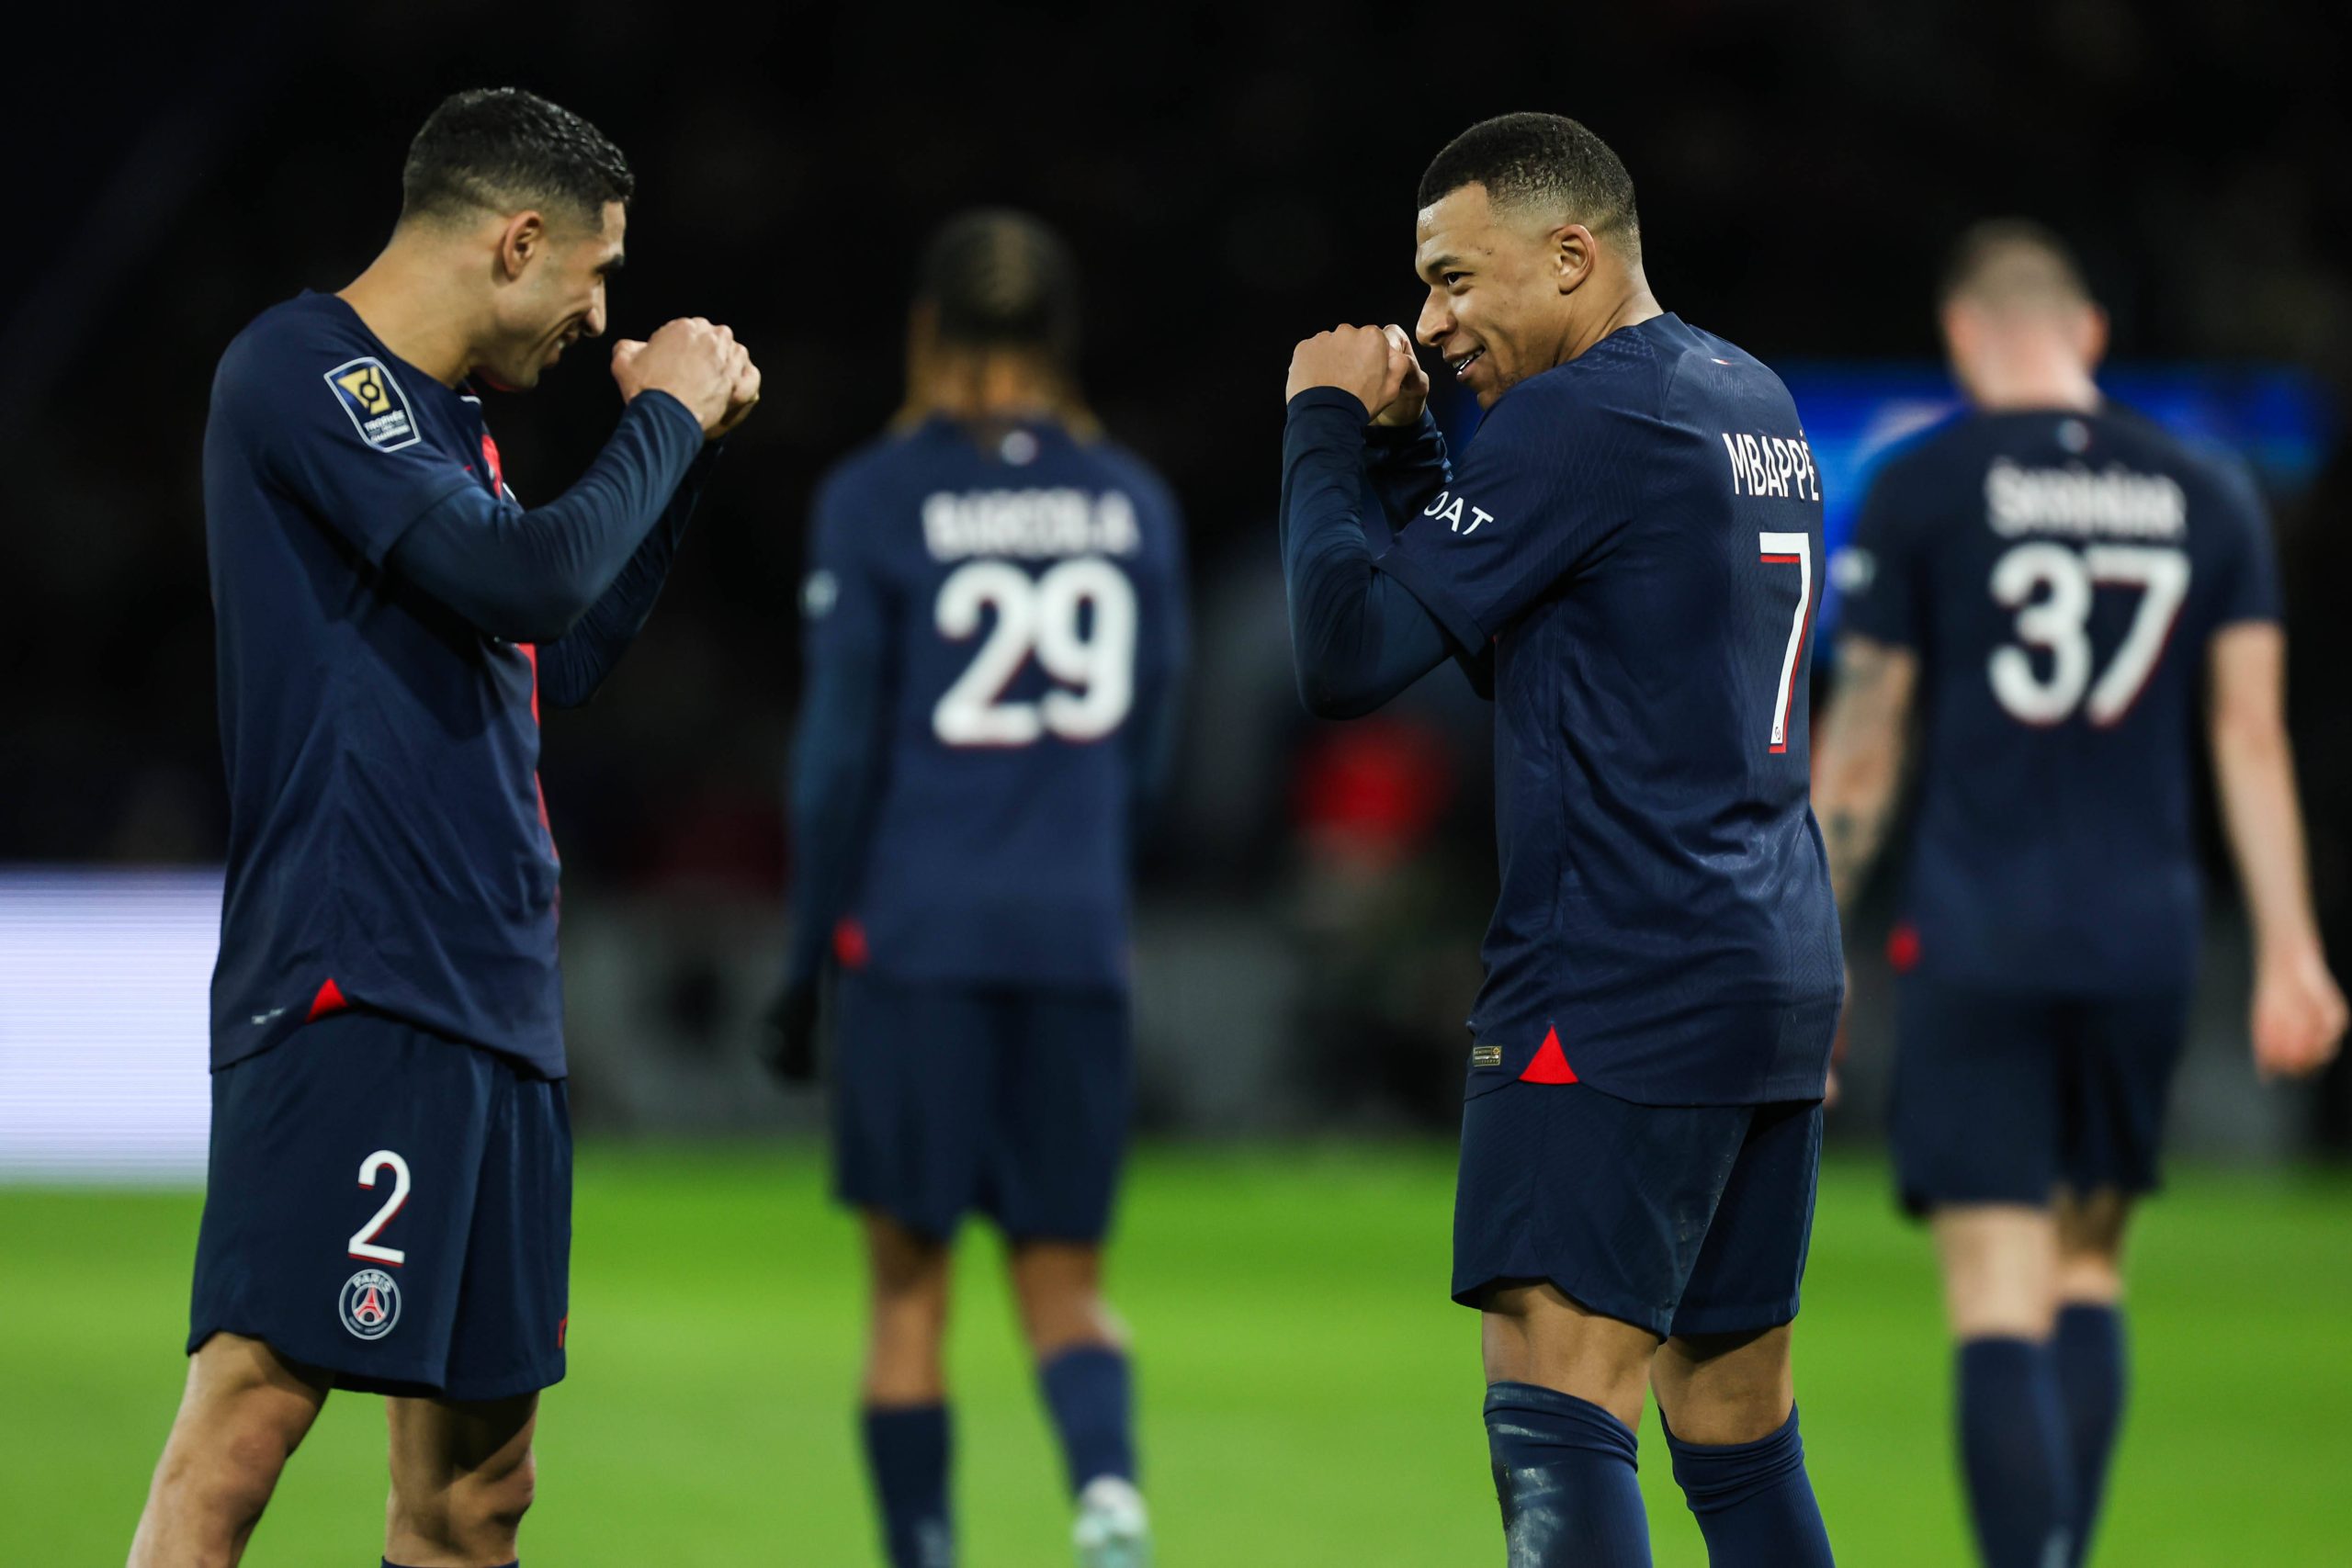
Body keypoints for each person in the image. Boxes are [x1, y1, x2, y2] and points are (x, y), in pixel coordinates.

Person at [130, 87, 758, 1568]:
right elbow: (530, 580)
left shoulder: (447, 435)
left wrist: (680, 461)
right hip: (363, 974)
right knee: (247, 1426)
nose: (602, 313)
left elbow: (554, 650)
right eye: (595, 275)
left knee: (477, 1501)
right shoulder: (305, 370)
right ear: (518, 237)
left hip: (497, 1005)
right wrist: (663, 412)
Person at [1278, 112, 1841, 1567]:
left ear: (1573, 253)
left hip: (1614, 972)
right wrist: (1416, 471)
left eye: (1459, 279)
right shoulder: (1747, 398)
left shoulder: (1584, 415)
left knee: (1555, 1401)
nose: (1432, 320)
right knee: (1732, 1419)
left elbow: (1347, 657)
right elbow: (1528, 643)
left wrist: (1323, 428)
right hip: (1764, 962)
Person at [1812, 220, 2346, 1568]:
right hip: (2143, 933)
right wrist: (2293, 947)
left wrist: (1807, 946)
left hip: (1980, 923)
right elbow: (2249, 734)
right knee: (2091, 1265)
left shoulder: (1926, 481)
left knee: (1997, 1292)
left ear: (1963, 338)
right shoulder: (2207, 488)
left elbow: (1868, 737)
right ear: (2090, 334)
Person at [770, 209, 1188, 1568]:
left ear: (928, 332)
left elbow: (836, 762)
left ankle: (927, 1551)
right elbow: (1156, 746)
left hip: (920, 934)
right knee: (1066, 1283)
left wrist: (799, 969)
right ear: (1059, 340)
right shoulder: (1132, 502)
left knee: (908, 1298)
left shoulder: (880, 499)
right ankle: (1108, 1494)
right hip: (1074, 938)